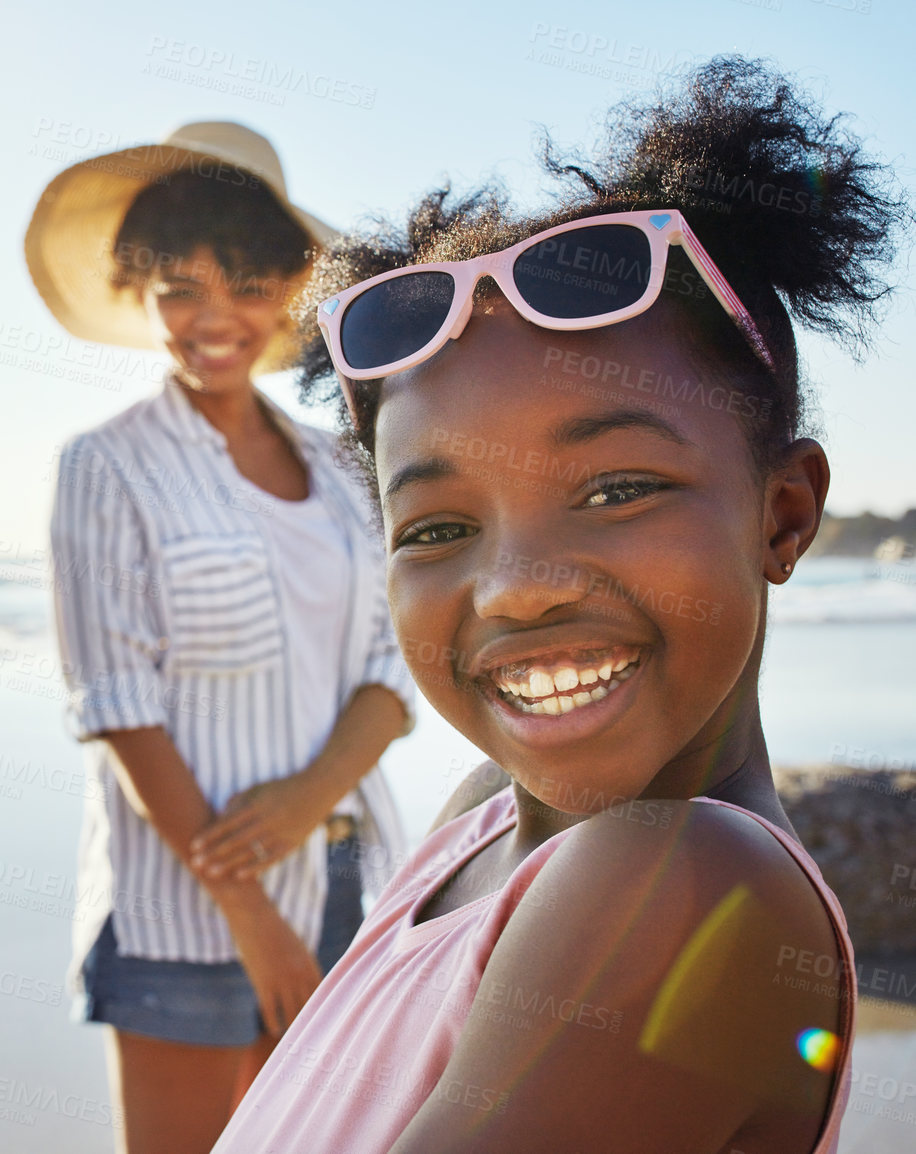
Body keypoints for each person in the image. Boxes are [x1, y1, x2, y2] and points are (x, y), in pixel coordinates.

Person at [213, 57, 907, 1153]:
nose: (516, 585)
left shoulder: (683, 883)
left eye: (619, 489)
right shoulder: (478, 819)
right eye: (437, 527)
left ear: (781, 514)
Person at [26, 122, 417, 1154]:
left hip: (346, 882)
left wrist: (303, 796)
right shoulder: (104, 467)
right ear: (138, 289)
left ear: (288, 287)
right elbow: (116, 704)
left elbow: (390, 664)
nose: (213, 317)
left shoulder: (341, 463)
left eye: (243, 282)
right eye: (178, 286)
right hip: (181, 919)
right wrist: (248, 911)